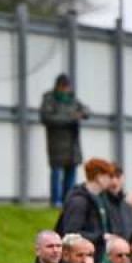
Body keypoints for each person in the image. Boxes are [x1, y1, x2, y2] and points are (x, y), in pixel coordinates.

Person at [40, 73, 89, 207]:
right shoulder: (50, 98)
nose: (66, 89)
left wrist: (83, 113)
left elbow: (86, 110)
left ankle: (67, 201)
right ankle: (56, 201)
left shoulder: (72, 99)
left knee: (71, 174)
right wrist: (72, 118)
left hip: (72, 144)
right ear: (59, 86)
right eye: (64, 87)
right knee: (56, 173)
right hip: (57, 143)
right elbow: (47, 118)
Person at [58, 157, 113, 260]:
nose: (111, 180)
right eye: (109, 176)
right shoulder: (78, 201)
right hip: (83, 259)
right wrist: (100, 237)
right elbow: (71, 233)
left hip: (98, 255)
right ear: (98, 177)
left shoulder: (101, 198)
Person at [103, 165, 132, 240]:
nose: (114, 182)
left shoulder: (129, 208)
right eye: (111, 177)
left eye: (118, 177)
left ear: (123, 179)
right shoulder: (99, 204)